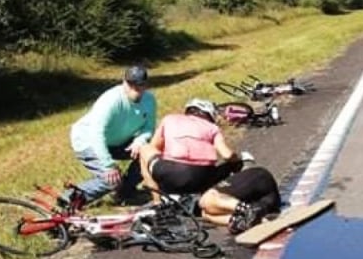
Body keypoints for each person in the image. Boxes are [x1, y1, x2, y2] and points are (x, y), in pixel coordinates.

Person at [64, 65, 157, 206]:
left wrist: (140, 141)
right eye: (130, 84)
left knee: (149, 154)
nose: (134, 89)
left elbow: (149, 127)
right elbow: (96, 134)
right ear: (124, 82)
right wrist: (108, 166)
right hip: (88, 141)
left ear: (145, 85)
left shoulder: (149, 101)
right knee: (111, 179)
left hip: (116, 141)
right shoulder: (111, 100)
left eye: (139, 85)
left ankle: (125, 192)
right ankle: (69, 199)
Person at [138, 98, 244, 201]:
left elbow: (154, 147)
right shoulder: (212, 127)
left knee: (144, 149)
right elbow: (227, 155)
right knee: (233, 164)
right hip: (201, 177)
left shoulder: (169, 119)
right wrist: (238, 159)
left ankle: (157, 201)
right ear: (210, 115)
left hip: (170, 173)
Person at [199, 166, 283, 234]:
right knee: (205, 213)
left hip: (259, 181)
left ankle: (247, 213)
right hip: (265, 202)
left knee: (206, 201)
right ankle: (241, 220)